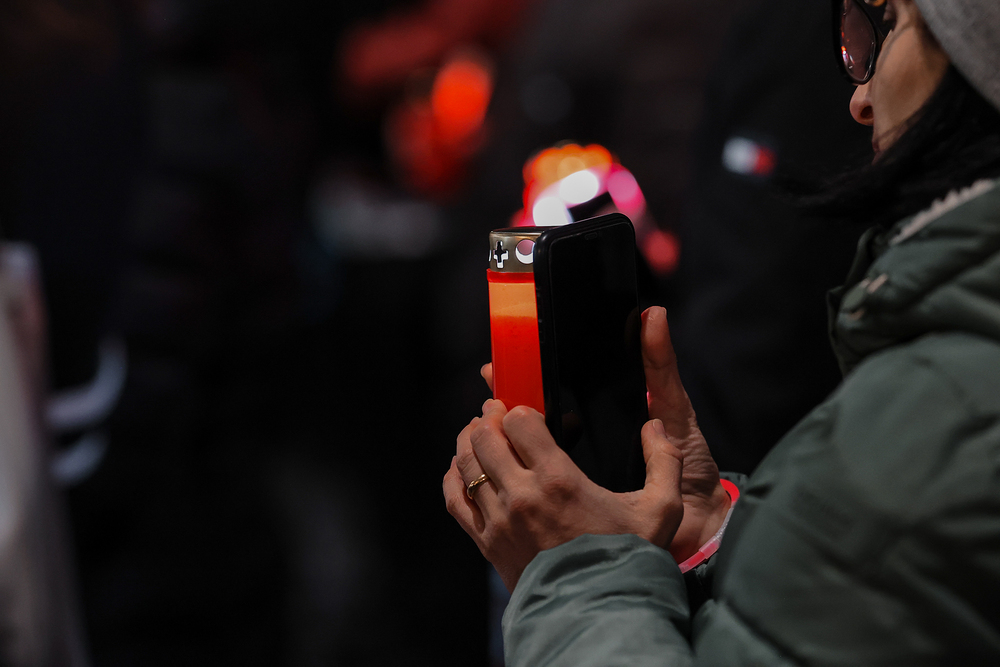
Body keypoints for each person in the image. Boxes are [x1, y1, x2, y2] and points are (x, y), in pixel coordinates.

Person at [443, 0, 1000, 662]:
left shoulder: (931, 416)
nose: (858, 98)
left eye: (888, 23)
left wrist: (573, 569)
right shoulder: (927, 394)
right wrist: (716, 531)